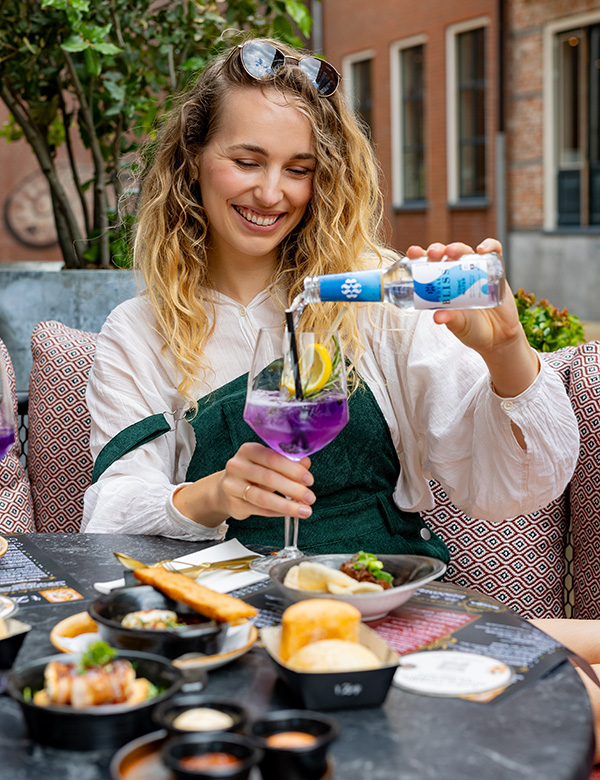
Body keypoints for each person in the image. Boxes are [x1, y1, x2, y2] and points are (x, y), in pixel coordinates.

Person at [82, 37, 578, 554]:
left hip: (379, 587)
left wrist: (505, 352)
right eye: (248, 162)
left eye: (299, 170)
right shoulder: (139, 329)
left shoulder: (379, 293)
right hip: (223, 607)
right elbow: (111, 516)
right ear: (193, 157)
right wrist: (215, 494)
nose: (272, 194)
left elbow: (511, 489)